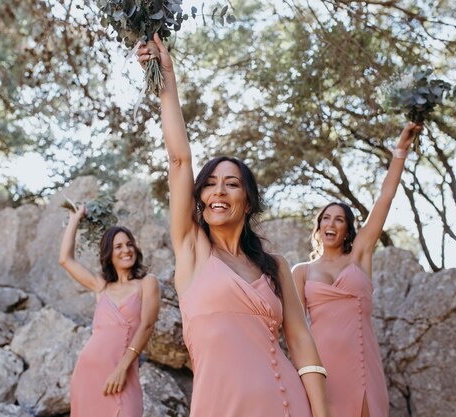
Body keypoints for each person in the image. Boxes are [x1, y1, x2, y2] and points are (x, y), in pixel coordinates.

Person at [137, 34, 331, 417]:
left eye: (231, 183)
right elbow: (179, 160)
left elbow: (301, 340)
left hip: (287, 404)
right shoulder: (192, 249)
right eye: (209, 184)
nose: (218, 191)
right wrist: (166, 81)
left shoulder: (274, 265)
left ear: (248, 201)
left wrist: (322, 415)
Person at [293, 122, 423, 417]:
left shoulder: (359, 257)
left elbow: (385, 199)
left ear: (348, 230)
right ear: (319, 226)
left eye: (339, 220)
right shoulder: (301, 271)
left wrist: (400, 151)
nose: (331, 223)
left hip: (363, 364)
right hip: (322, 368)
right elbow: (295, 331)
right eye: (326, 218)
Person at [58, 206, 160, 417]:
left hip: (123, 372)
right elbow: (65, 259)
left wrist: (122, 369)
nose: (126, 250)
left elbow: (147, 326)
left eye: (129, 244)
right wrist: (74, 219)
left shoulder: (147, 283)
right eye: (118, 247)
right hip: (89, 373)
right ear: (109, 254)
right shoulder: (101, 287)